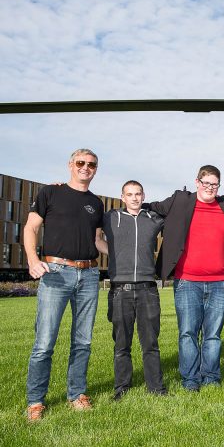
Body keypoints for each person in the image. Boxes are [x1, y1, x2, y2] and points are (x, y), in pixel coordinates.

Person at [147, 165, 224, 391]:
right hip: (187, 282)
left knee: (213, 334)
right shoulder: (180, 200)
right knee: (188, 333)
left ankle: (211, 376)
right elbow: (151, 207)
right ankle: (190, 379)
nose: (210, 188)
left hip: (219, 283)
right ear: (197, 182)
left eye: (214, 184)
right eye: (206, 183)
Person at [23, 149, 104, 421]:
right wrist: (33, 260)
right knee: (44, 342)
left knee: (83, 341)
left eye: (91, 164)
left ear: (96, 169)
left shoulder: (96, 203)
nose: (85, 167)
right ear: (71, 165)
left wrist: (126, 252)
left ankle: (77, 394)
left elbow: (97, 241)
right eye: (80, 162)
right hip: (56, 273)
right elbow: (31, 228)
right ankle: (35, 401)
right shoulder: (50, 193)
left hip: (89, 275)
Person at [98, 180, 167, 400]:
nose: (134, 198)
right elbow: (94, 237)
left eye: (138, 194)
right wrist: (115, 252)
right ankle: (122, 388)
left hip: (148, 290)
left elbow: (178, 221)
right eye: (130, 194)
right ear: (122, 197)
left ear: (143, 196)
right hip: (120, 290)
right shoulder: (111, 217)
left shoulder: (154, 219)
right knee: (121, 344)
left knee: (151, 343)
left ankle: (156, 388)